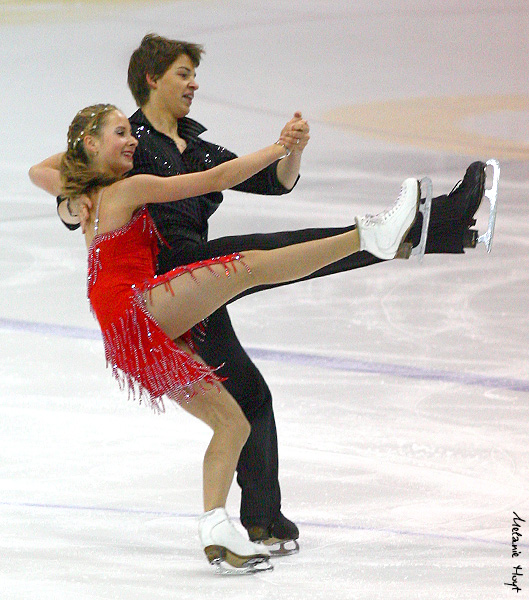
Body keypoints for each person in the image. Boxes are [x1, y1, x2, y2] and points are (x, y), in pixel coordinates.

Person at [35, 34, 488, 558]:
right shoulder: (125, 146)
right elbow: (54, 172)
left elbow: (273, 184)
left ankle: (259, 522)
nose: (194, 84)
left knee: (245, 401)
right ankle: (415, 230)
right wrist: (73, 198)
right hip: (168, 281)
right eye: (183, 73)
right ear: (152, 80)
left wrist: (289, 150)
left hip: (176, 300)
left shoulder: (191, 144)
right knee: (257, 258)